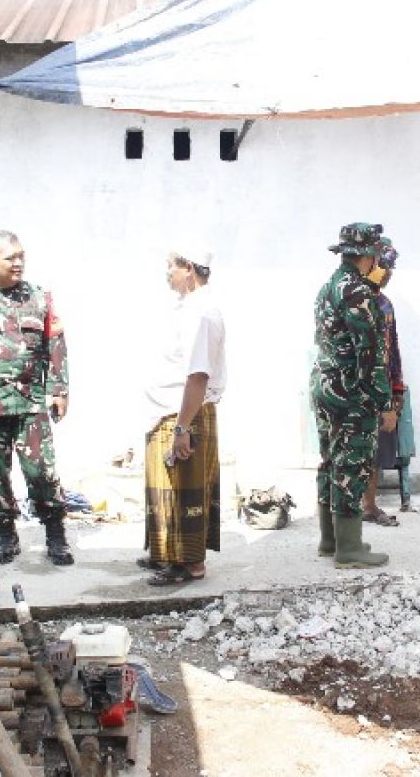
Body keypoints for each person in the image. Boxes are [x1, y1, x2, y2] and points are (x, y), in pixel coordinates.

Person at [0, 230, 74, 567]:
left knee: (42, 472)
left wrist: (59, 390)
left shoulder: (40, 298)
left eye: (21, 256)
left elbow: (55, 345)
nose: (18, 262)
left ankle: (55, 533)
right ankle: (6, 533)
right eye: (10, 257)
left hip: (30, 404)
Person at [139, 250, 226, 586]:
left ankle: (188, 564)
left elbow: (198, 375)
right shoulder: (189, 307)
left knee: (182, 492)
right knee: (166, 489)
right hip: (170, 411)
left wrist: (182, 427)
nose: (167, 272)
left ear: (188, 269)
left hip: (184, 414)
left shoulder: (202, 313)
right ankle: (166, 555)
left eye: (170, 266)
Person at [312, 222, 396, 568]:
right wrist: (385, 403)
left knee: (330, 461)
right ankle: (349, 549)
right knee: (352, 464)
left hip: (325, 387)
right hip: (351, 394)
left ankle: (330, 540)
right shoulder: (358, 293)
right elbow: (370, 355)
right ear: (369, 254)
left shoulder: (329, 286)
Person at [360, 237, 415, 526]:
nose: (388, 274)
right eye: (385, 268)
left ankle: (369, 506)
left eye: (391, 269)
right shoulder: (353, 300)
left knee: (376, 450)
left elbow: (392, 351)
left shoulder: (385, 305)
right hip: (355, 390)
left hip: (381, 389)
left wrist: (397, 390)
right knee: (351, 451)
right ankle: (345, 510)